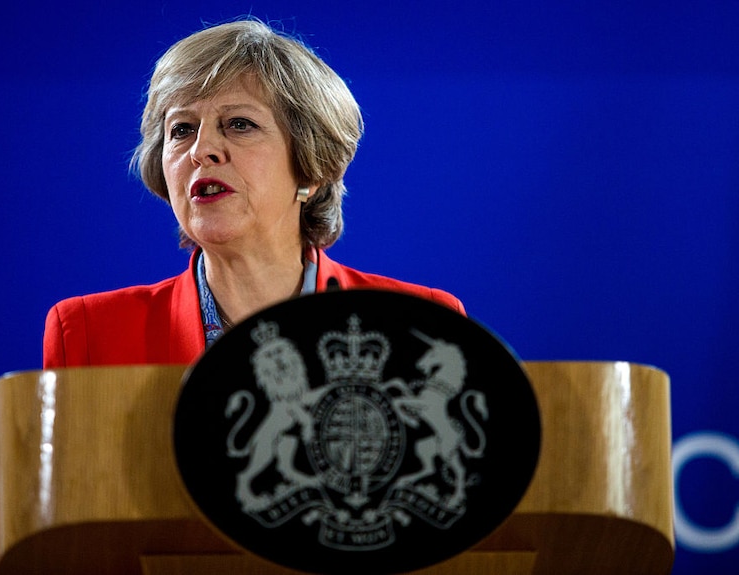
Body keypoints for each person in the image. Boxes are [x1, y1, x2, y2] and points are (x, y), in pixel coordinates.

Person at [43, 18, 464, 369]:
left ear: (311, 165)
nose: (201, 149)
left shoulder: (423, 323)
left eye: (239, 124)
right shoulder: (87, 333)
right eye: (182, 129)